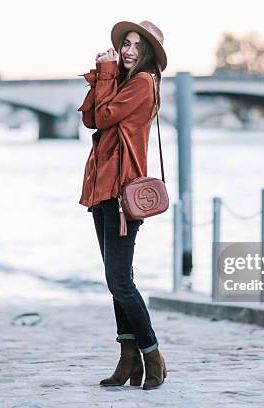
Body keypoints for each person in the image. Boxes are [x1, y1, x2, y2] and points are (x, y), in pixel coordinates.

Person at [77, 20, 168, 390]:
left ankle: (152, 354)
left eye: (136, 45)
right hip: (103, 190)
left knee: (119, 281)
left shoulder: (144, 83)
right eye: (125, 44)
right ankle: (128, 359)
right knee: (118, 281)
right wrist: (106, 77)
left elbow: (105, 116)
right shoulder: (123, 83)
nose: (129, 50)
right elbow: (89, 118)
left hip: (121, 195)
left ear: (148, 53)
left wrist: (106, 73)